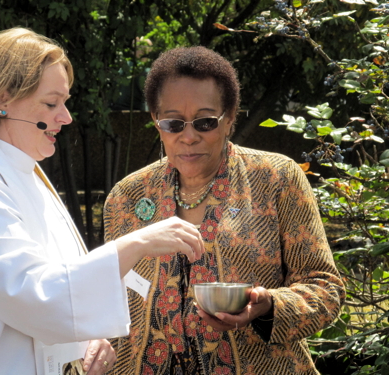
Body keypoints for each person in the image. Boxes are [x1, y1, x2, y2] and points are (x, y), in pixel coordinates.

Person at [0, 28, 205, 375]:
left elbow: (56, 284)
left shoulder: (18, 171)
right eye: (51, 103)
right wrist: (137, 244)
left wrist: (86, 337)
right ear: (2, 100)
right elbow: (34, 296)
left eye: (64, 102)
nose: (66, 117)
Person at [103, 46, 346, 374]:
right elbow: (108, 301)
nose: (188, 137)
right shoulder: (127, 198)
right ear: (156, 122)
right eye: (174, 123)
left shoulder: (276, 179)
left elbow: (325, 288)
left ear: (230, 118)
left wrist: (270, 307)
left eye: (205, 122)